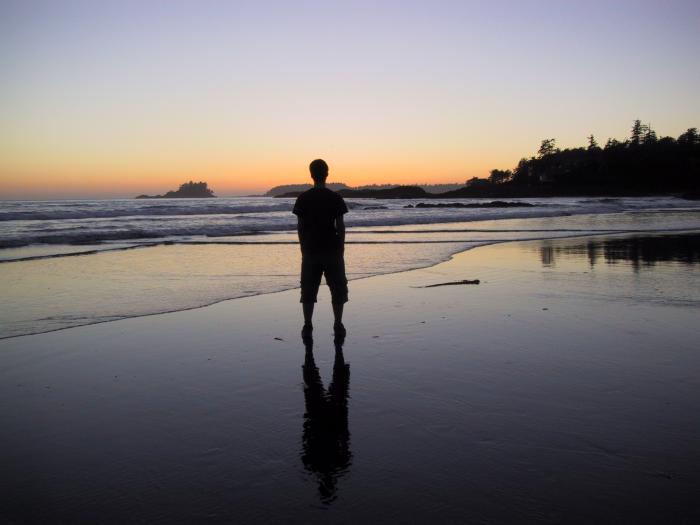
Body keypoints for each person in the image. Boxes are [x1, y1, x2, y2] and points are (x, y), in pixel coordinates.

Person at [293, 159, 348, 339]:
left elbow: (300, 227)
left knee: (308, 289)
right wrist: (341, 248)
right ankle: (338, 323)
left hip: (310, 250)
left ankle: (307, 324)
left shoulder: (303, 198)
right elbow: (340, 227)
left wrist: (303, 248)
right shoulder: (335, 198)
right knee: (337, 288)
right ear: (327, 174)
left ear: (311, 174)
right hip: (332, 249)